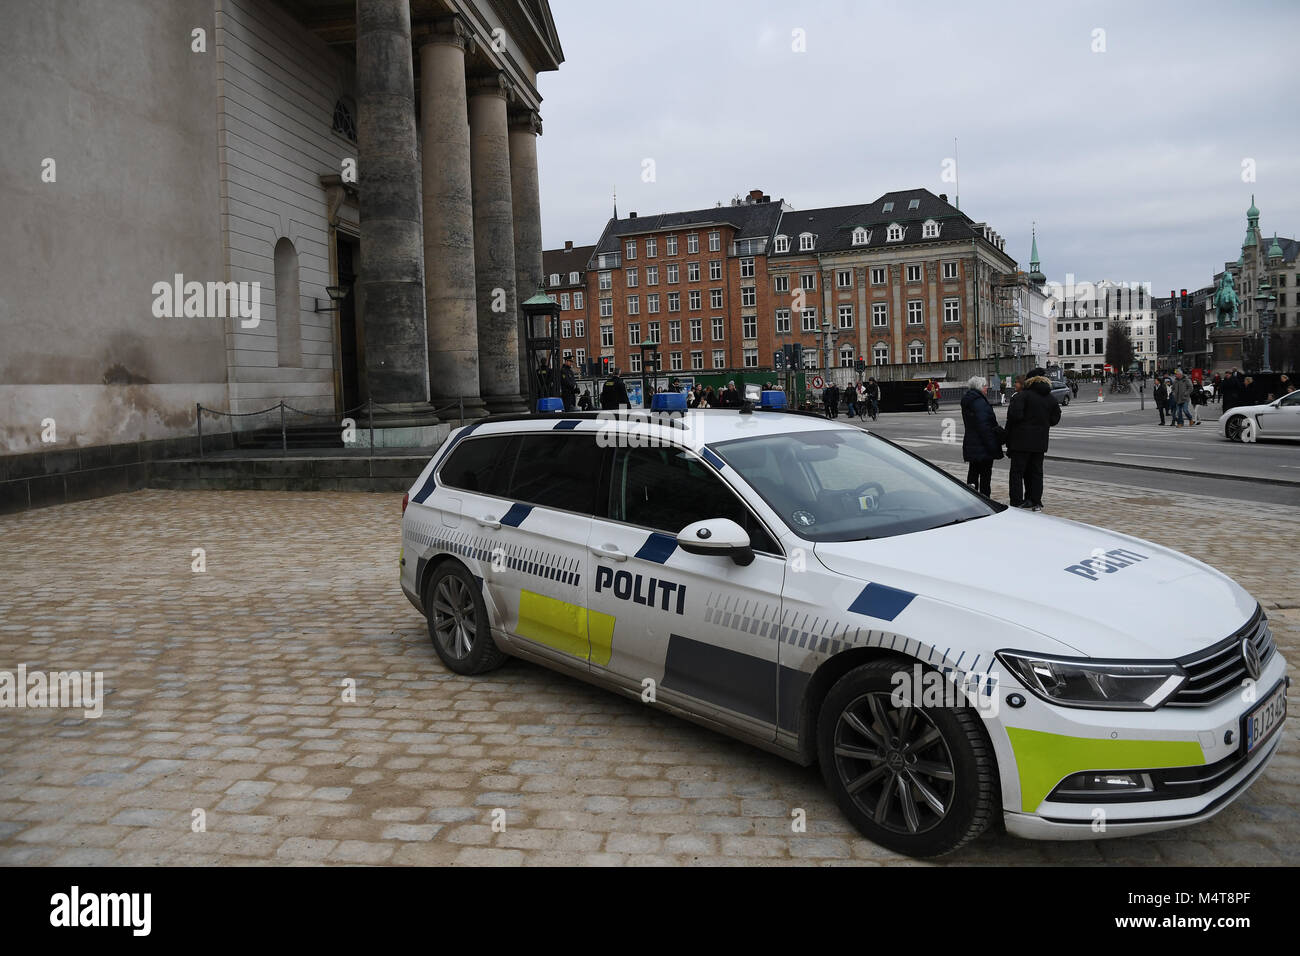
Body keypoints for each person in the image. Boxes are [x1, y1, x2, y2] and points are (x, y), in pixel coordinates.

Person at [1004, 368, 1060, 511]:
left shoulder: (1022, 396)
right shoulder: (1050, 398)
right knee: (1036, 472)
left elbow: (1014, 416)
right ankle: (1035, 500)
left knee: (1017, 473)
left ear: (1029, 381)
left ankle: (1017, 502)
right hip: (1040, 442)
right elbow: (1055, 419)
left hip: (1021, 442)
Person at [960, 376, 1002, 497]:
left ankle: (970, 498)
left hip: (972, 442)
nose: (987, 388)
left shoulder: (969, 400)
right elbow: (984, 426)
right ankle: (984, 499)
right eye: (985, 386)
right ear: (979, 387)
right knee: (985, 476)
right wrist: (992, 446)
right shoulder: (979, 402)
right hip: (983, 445)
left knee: (973, 472)